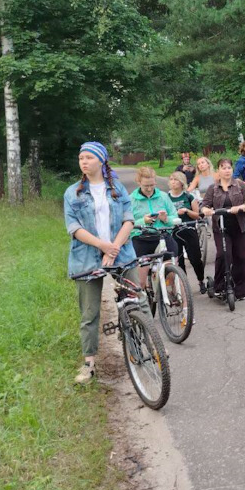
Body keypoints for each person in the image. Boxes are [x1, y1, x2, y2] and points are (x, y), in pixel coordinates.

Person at [63, 141, 144, 385]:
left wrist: (114, 247)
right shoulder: (72, 193)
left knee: (137, 301)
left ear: (101, 160)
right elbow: (74, 228)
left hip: (121, 252)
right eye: (81, 158)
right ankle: (89, 364)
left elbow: (129, 220)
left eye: (88, 157)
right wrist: (102, 246)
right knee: (90, 313)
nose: (84, 162)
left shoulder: (117, 188)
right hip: (87, 258)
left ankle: (148, 345)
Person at [201, 158, 245, 299]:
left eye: (229, 168)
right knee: (223, 255)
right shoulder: (212, 189)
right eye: (223, 168)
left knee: (242, 257)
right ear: (218, 170)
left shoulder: (240, 185)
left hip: (239, 226)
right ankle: (219, 286)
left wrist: (240, 207)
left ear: (232, 170)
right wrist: (206, 209)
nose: (226, 170)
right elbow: (204, 205)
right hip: (221, 227)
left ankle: (241, 290)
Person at [129, 166, 180, 291]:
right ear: (139, 182)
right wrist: (143, 221)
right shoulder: (131, 199)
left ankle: (178, 299)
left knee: (173, 274)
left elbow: (175, 217)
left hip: (162, 236)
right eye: (146, 185)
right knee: (139, 282)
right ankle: (143, 302)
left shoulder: (163, 196)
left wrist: (165, 219)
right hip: (141, 238)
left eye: (152, 185)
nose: (149, 188)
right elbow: (126, 224)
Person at [167, 171, 206, 292]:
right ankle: (183, 285)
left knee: (195, 259)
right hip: (173, 232)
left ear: (181, 182)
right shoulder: (166, 198)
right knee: (178, 261)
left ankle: (201, 280)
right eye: (171, 179)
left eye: (176, 179)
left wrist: (187, 211)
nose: (173, 182)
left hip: (188, 229)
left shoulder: (189, 196)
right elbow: (163, 215)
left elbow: (197, 215)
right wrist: (174, 214)